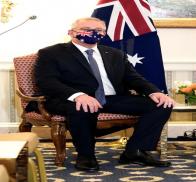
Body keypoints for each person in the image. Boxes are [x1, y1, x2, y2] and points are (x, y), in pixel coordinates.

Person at [35, 17, 175, 171]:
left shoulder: (114, 53)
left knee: (160, 105)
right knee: (82, 106)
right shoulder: (51, 53)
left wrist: (153, 91)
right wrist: (78, 95)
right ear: (71, 32)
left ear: (104, 34)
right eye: (87, 29)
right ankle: (86, 156)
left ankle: (135, 151)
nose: (93, 33)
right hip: (70, 99)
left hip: (112, 98)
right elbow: (47, 82)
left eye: (99, 31)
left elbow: (133, 78)